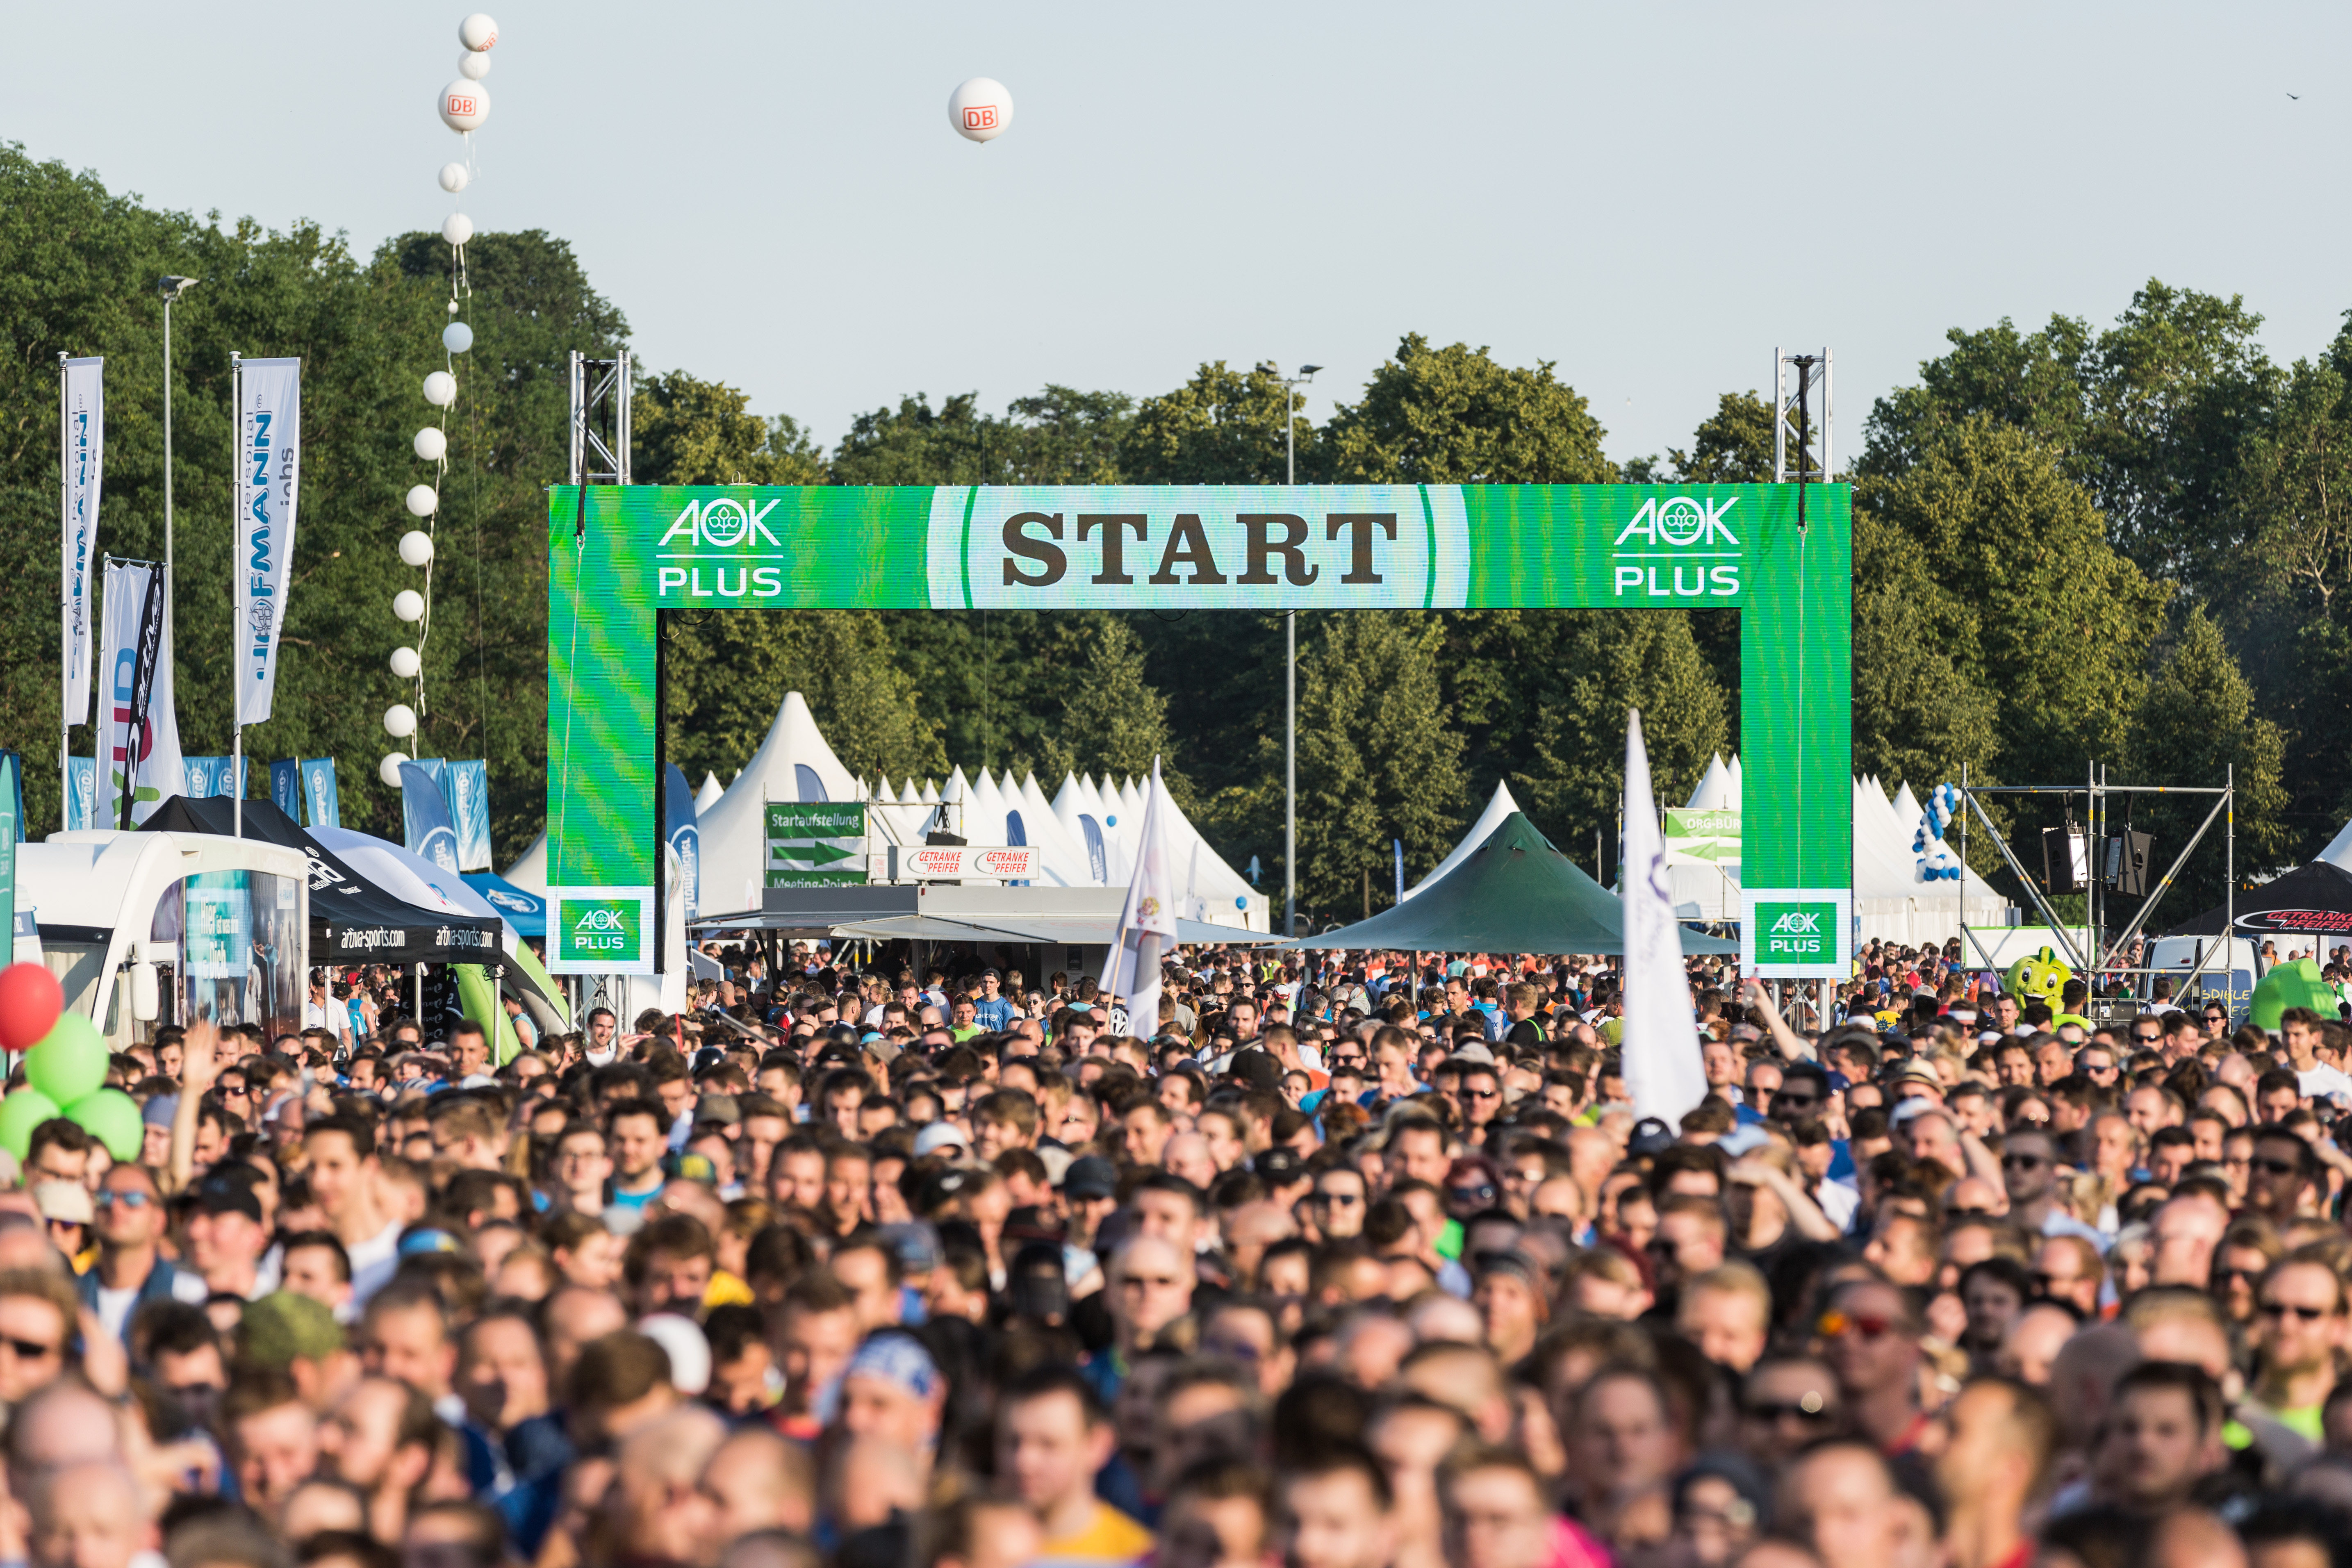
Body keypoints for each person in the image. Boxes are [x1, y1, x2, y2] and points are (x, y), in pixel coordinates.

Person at [995, 1365, 1153, 1568]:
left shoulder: (1139, 1557)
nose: (1024, 1462)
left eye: (1048, 1444)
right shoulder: (973, 1548)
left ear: (1097, 1446)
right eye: (1012, 1442)